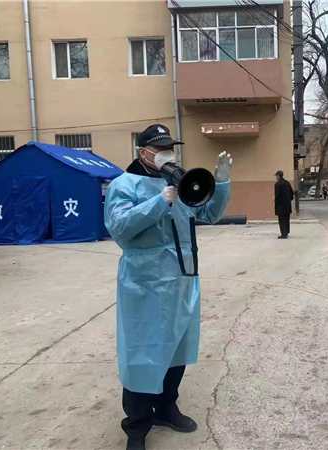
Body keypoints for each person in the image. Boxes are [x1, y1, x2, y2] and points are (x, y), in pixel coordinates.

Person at [104, 124, 232, 450]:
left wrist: (221, 183)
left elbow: (210, 215)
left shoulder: (179, 182)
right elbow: (120, 227)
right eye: (160, 149)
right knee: (142, 354)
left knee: (177, 349)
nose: (167, 154)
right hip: (144, 284)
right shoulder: (124, 184)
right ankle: (136, 427)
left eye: (170, 148)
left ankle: (166, 408)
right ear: (143, 152)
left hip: (182, 280)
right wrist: (159, 202)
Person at [275, 170, 294, 239]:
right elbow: (292, 193)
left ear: (278, 176)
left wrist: (276, 202)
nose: (276, 177)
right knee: (286, 219)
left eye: (276, 176)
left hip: (281, 205)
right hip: (287, 204)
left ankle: (283, 233)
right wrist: (289, 199)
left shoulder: (277, 184)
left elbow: (277, 195)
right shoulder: (287, 183)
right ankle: (287, 231)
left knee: (281, 219)